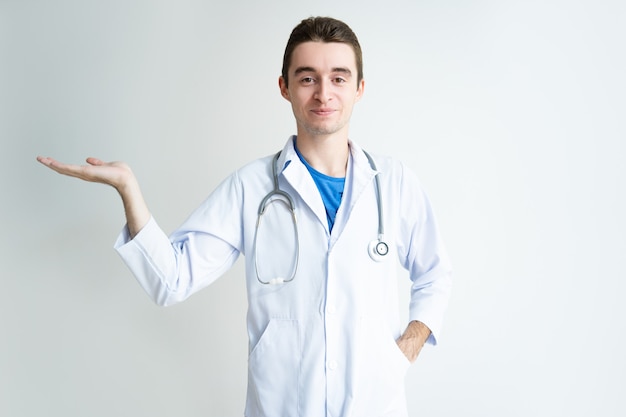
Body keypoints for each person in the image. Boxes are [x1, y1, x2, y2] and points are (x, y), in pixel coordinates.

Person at [37, 16, 452, 417]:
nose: (324, 93)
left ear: (359, 88)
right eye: (307, 78)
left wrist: (403, 352)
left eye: (339, 78)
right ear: (284, 88)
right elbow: (172, 280)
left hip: (375, 407)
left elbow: (434, 274)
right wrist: (128, 188)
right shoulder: (250, 188)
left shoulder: (393, 183)